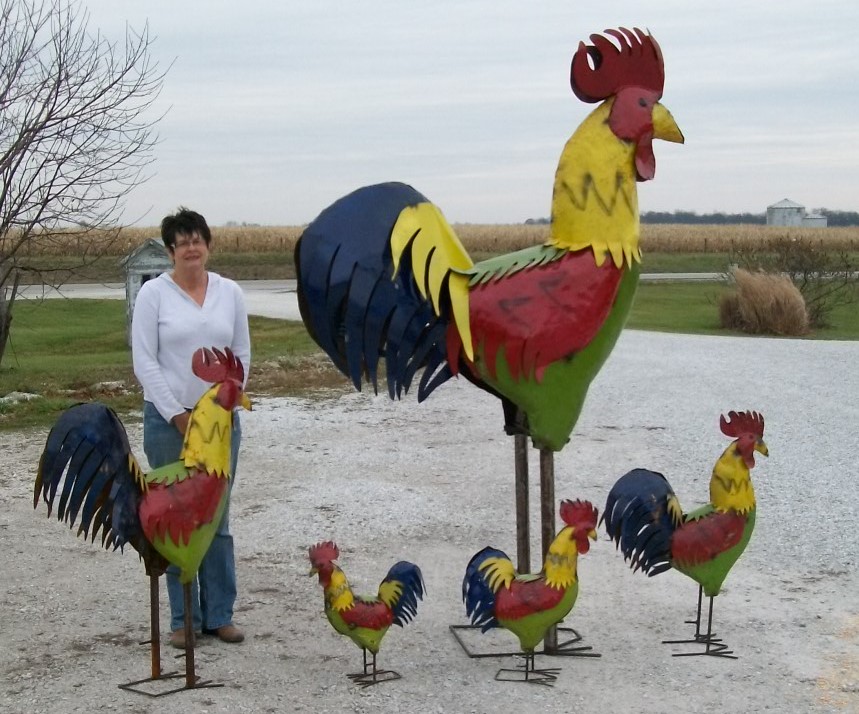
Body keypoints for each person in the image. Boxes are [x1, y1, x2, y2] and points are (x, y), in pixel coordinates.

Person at [131, 207, 251, 649]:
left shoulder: (230, 292)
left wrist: (222, 408)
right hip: (169, 423)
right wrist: (178, 415)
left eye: (197, 239)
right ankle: (184, 618)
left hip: (219, 426)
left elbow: (241, 354)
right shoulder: (154, 296)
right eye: (182, 242)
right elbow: (144, 360)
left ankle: (219, 614)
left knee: (216, 518)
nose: (191, 248)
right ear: (170, 251)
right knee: (176, 519)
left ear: (208, 245)